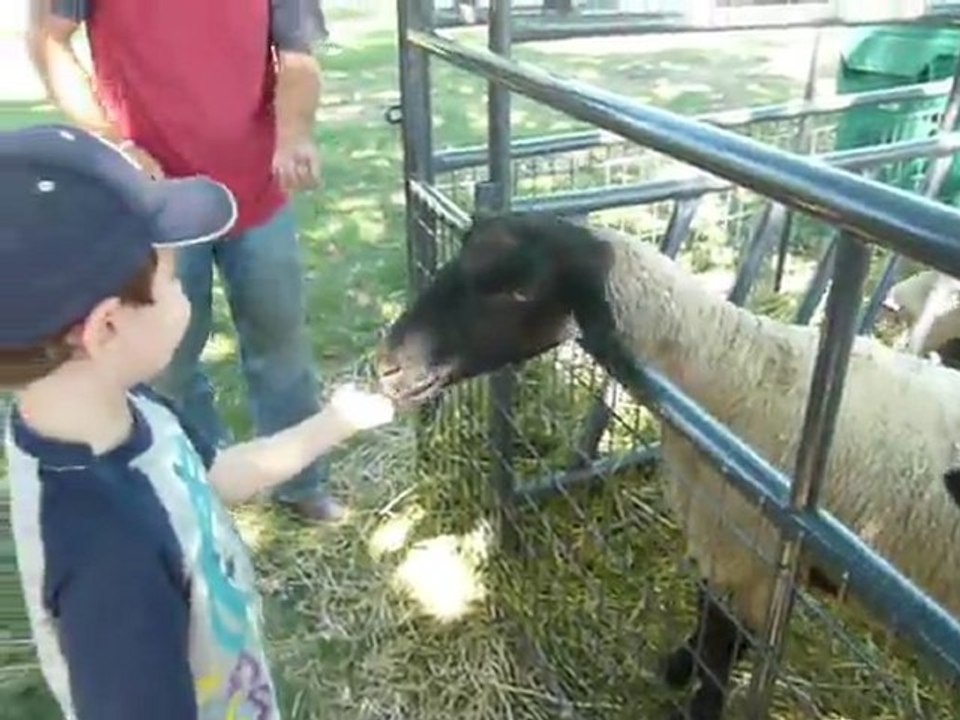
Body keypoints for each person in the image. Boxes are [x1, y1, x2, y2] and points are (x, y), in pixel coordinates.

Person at [2, 123, 394, 720]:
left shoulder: (127, 412)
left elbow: (207, 478)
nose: (185, 297)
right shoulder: (107, 551)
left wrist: (334, 423)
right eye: (172, 281)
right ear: (106, 328)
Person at [27, 0, 344, 522]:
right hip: (154, 203)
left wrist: (294, 133)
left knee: (280, 344)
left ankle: (301, 485)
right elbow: (47, 37)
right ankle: (196, 482)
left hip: (258, 191)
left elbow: (297, 55)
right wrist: (113, 143)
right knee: (165, 361)